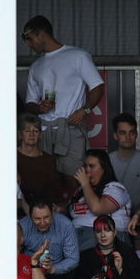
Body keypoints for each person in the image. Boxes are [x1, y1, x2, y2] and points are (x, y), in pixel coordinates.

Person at [21, 16, 104, 176]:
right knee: (45, 179)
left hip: (70, 128)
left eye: (30, 39)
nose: (29, 45)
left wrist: (85, 111)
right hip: (44, 130)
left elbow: (98, 86)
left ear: (41, 34)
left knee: (74, 179)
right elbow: (30, 102)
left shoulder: (78, 56)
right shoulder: (36, 66)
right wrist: (39, 107)